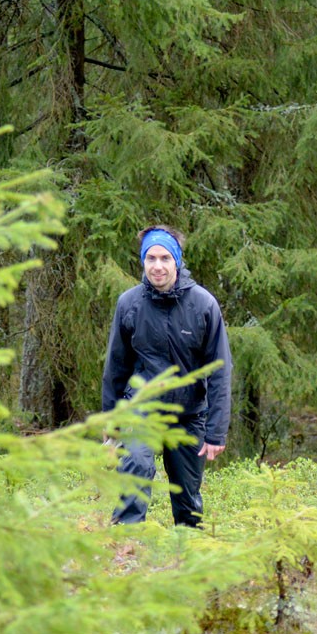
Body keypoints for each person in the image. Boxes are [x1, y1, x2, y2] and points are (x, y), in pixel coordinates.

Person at [103, 225, 232, 528]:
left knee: (187, 499)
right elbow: (116, 367)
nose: (157, 266)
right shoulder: (129, 304)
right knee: (135, 465)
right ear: (142, 262)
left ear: (177, 261)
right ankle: (127, 542)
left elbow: (219, 371)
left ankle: (186, 556)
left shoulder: (203, 304)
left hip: (189, 412)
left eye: (164, 258)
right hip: (141, 408)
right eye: (150, 259)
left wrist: (216, 431)